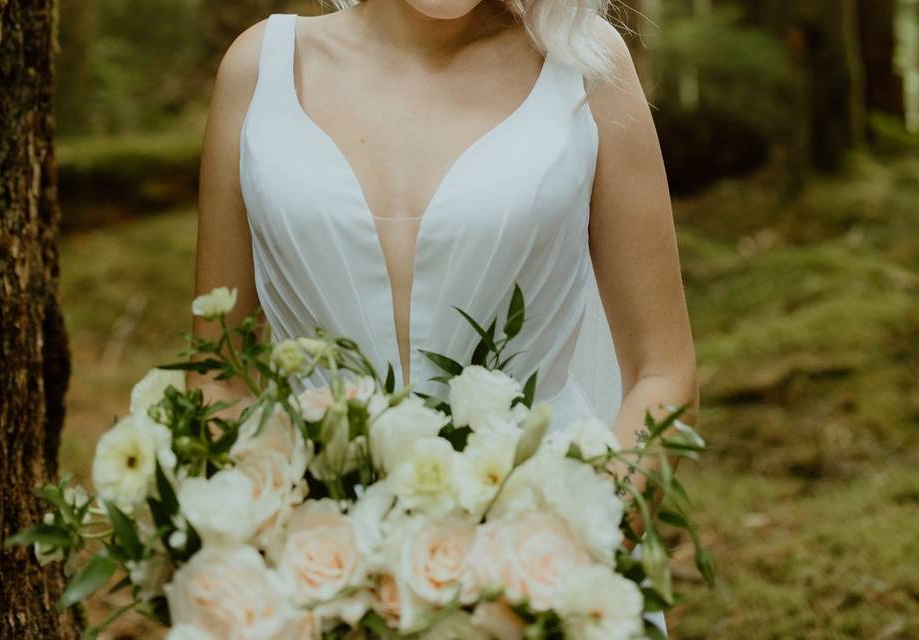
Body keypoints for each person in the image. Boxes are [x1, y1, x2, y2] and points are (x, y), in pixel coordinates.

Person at [189, 0, 698, 634]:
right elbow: (216, 375)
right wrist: (277, 547)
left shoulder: (586, 67)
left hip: (543, 587)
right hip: (315, 588)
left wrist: (573, 546)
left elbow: (664, 373)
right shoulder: (262, 69)